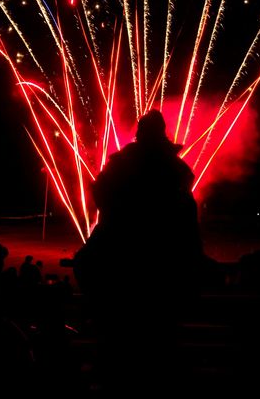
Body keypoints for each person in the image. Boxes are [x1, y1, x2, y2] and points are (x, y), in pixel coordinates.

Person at [73, 108, 204, 390]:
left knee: (117, 335)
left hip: (119, 268)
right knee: (159, 337)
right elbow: (186, 218)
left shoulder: (120, 166)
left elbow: (100, 196)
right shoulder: (175, 171)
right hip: (161, 272)